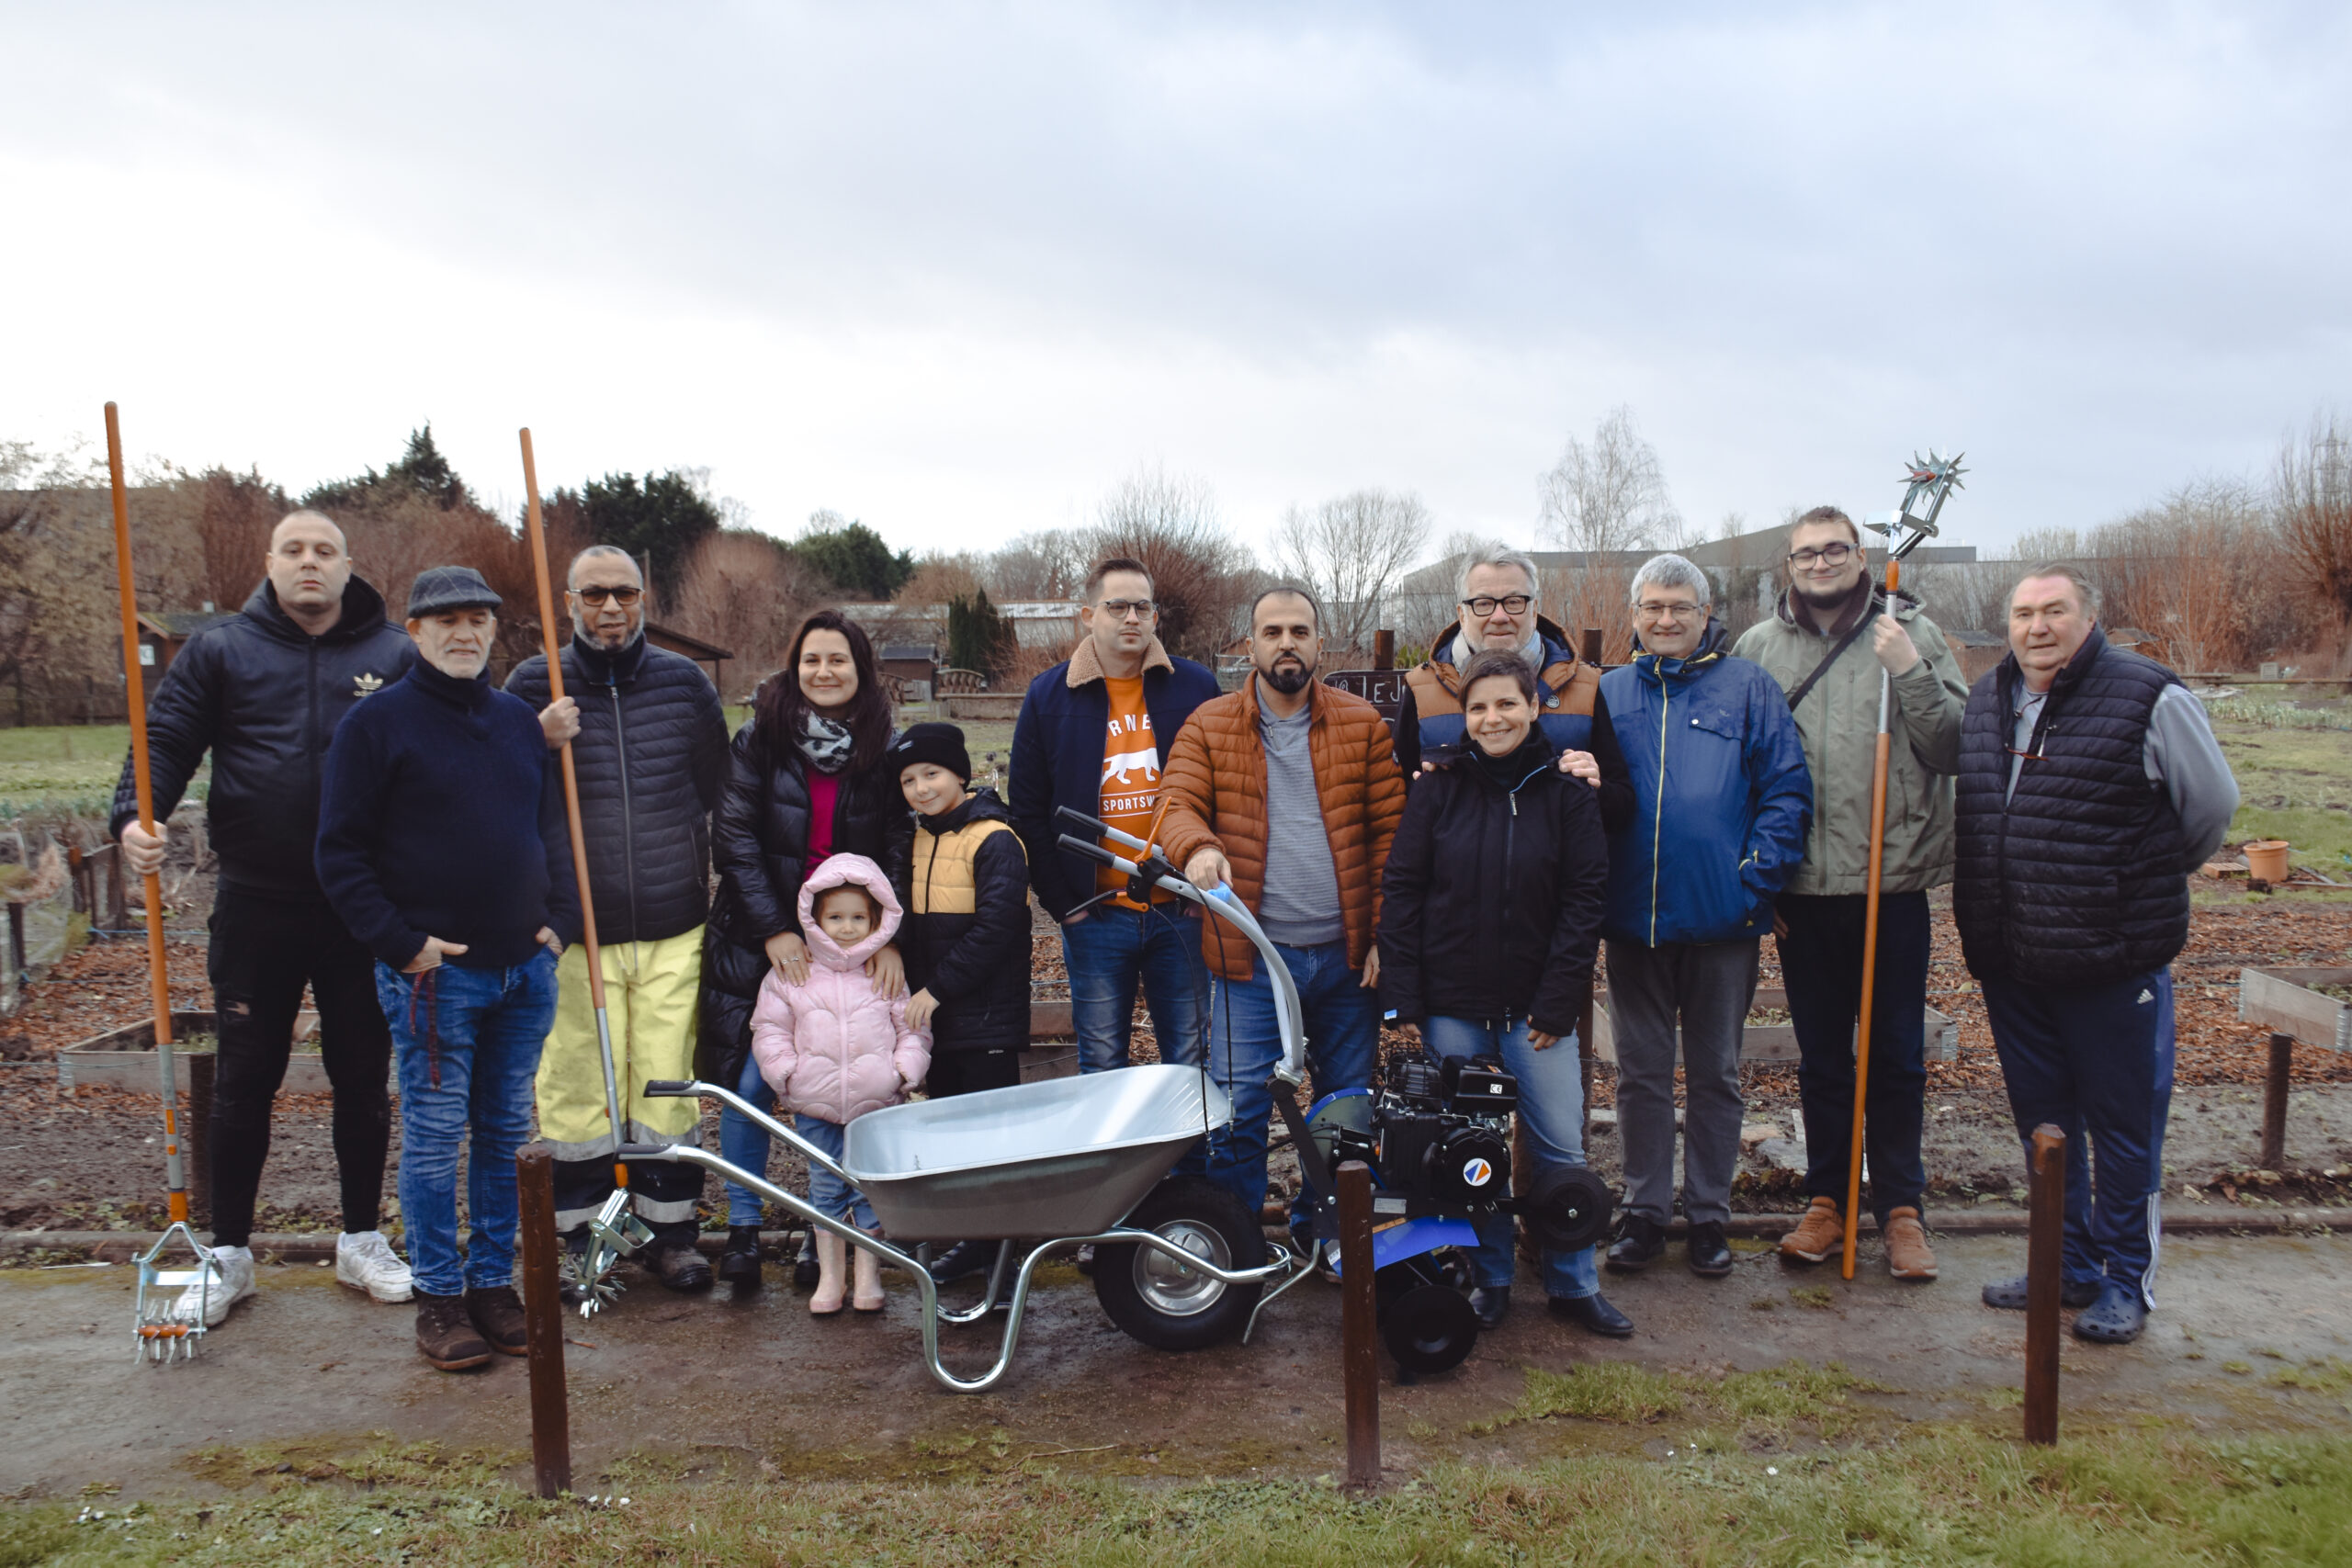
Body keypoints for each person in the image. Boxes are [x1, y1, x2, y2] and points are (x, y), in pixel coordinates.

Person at [112, 510, 416, 1327]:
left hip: (361, 905)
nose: (309, 562)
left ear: (348, 565)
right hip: (256, 902)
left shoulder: (394, 654)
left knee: (363, 1075)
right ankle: (230, 1252)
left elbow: (438, 750)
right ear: (270, 563)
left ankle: (361, 1238)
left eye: (324, 551)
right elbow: (165, 740)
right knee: (245, 1079)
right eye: (294, 550)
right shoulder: (221, 650)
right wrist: (136, 815)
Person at [1956, 564, 2236, 1345]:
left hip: (2111, 962)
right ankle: (2066, 1263)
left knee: (2122, 1129)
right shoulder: (1988, 699)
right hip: (2013, 958)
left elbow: (2210, 808)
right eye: (2023, 613)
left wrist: (2134, 877)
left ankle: (2125, 1278)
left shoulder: (2148, 695)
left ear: (2089, 618)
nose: (2037, 626)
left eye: (2055, 610)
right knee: (2044, 1127)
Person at [315, 566, 580, 1371]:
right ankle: (438, 1296)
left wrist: (560, 923)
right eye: (446, 620)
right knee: (434, 1136)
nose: (465, 632)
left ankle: (491, 1284)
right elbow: (340, 852)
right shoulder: (375, 725)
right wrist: (402, 944)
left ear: (495, 629)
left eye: (478, 619)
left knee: (504, 1133)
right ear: (417, 631)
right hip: (435, 978)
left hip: (522, 971)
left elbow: (550, 829)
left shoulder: (515, 723)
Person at [1733, 507, 1968, 1281]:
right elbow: (1741, 767)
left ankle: (1902, 1210)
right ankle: (1828, 1202)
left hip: (1888, 883)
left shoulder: (1910, 633)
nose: (1821, 562)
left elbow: (1952, 745)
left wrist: (1909, 669)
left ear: (1860, 556)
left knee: (1896, 1055)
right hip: (1804, 891)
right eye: (1806, 553)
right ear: (1789, 564)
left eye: (1835, 549)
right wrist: (1761, 877)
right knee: (1825, 1058)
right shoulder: (1760, 648)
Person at [1377, 650, 1626, 1336]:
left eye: (1507, 704)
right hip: (1453, 1008)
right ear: (1465, 715)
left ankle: (1573, 1282)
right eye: (1479, 707)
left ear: (1534, 708)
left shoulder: (1568, 795)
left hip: (1535, 1014)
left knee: (1560, 1147)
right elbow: (1402, 891)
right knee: (1471, 1150)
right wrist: (1404, 996)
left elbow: (1584, 901)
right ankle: (1490, 1280)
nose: (1493, 718)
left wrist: (1559, 999)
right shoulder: (1438, 790)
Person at [505, 546, 730, 1293]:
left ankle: (671, 1233)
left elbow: (720, 790)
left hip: (672, 922)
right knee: (575, 1085)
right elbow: (494, 790)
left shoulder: (684, 683)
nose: (610, 607)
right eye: (594, 593)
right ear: (569, 601)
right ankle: (582, 1238)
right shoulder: (533, 685)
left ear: (643, 597)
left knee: (664, 1086)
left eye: (624, 593)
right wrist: (535, 740)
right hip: (575, 929)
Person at [1159, 584, 1406, 1230]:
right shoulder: (1209, 724)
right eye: (1272, 632)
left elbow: (1391, 837)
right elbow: (1175, 804)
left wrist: (1384, 935)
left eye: (1300, 631)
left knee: (1345, 1109)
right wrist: (1197, 847)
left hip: (1346, 961)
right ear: (1251, 646)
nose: (1287, 643)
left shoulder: (1361, 724)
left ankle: (1323, 1233)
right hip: (1251, 962)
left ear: (1321, 642)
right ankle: (1237, 1243)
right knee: (1240, 1106)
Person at [1599, 554, 1811, 1281]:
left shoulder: (1747, 687)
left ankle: (1711, 1214)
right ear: (1634, 614)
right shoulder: (1609, 693)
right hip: (1634, 920)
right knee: (1641, 1074)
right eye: (1653, 607)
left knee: (1716, 1073)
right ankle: (1645, 1210)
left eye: (1680, 607)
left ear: (1705, 612)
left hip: (1724, 919)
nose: (1666, 619)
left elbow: (1786, 788)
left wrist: (1757, 878)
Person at [700, 610, 907, 1291]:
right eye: (812, 659)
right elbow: (734, 836)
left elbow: (900, 843)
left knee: (843, 1088)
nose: (824, 671)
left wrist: (889, 938)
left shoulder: (883, 745)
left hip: (850, 940)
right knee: (750, 1085)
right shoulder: (761, 738)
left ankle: (831, 1230)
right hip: (763, 940)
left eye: (838, 659)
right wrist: (774, 927)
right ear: (795, 666)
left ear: (860, 669)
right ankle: (743, 1226)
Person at [1010, 557, 1221, 1076]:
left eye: (1142, 607)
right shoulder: (1049, 696)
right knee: (1102, 1061)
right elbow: (1029, 810)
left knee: (1189, 1062)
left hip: (1181, 910)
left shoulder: (1195, 688)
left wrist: (1204, 901)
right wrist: (1066, 906)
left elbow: (1224, 790)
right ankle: (1116, 1140)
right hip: (1097, 915)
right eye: (1117, 606)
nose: (1131, 617)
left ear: (1155, 618)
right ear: (1088, 615)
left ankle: (1188, 1139)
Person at [883, 723, 1034, 1285]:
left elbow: (996, 930)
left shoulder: (994, 839)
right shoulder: (917, 839)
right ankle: (975, 1243)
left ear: (960, 775)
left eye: (932, 774)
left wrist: (937, 989)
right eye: (909, 780)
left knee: (992, 1141)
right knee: (954, 1137)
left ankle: (1001, 1255)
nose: (921, 788)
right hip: (939, 1022)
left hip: (984, 1016)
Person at [749, 855, 930, 1315]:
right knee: (826, 1186)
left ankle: (868, 1275)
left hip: (876, 1104)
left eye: (858, 918)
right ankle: (831, 1277)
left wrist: (904, 1071)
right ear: (814, 918)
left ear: (877, 920)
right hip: (815, 1102)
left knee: (869, 1189)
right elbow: (770, 1029)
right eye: (835, 918)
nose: (846, 928)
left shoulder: (884, 972)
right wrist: (786, 1073)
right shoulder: (793, 972)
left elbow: (911, 1029)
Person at [1396, 541, 1634, 834]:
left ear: (1534, 610)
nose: (1499, 617)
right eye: (1483, 603)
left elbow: (1622, 802)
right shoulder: (1420, 689)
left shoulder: (1585, 686)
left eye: (1514, 601)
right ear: (1462, 613)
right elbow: (1394, 802)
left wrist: (1594, 788)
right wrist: (1424, 792)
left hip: (1559, 863)